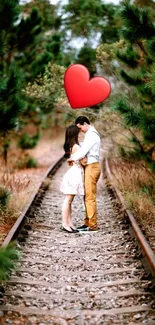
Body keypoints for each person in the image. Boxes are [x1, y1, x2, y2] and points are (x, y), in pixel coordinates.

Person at [67, 116, 101, 232]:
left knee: (90, 197)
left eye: (80, 127)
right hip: (90, 167)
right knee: (87, 196)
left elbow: (83, 151)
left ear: (85, 123)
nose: (80, 130)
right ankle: (88, 223)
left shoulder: (91, 135)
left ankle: (92, 225)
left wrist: (72, 158)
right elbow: (83, 147)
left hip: (92, 167)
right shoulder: (90, 134)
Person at [60, 124, 87, 233]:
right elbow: (84, 162)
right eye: (78, 131)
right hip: (75, 175)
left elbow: (72, 159)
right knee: (68, 200)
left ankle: (69, 223)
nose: (80, 133)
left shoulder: (73, 146)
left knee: (69, 201)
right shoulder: (76, 147)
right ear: (75, 134)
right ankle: (64, 224)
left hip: (74, 173)